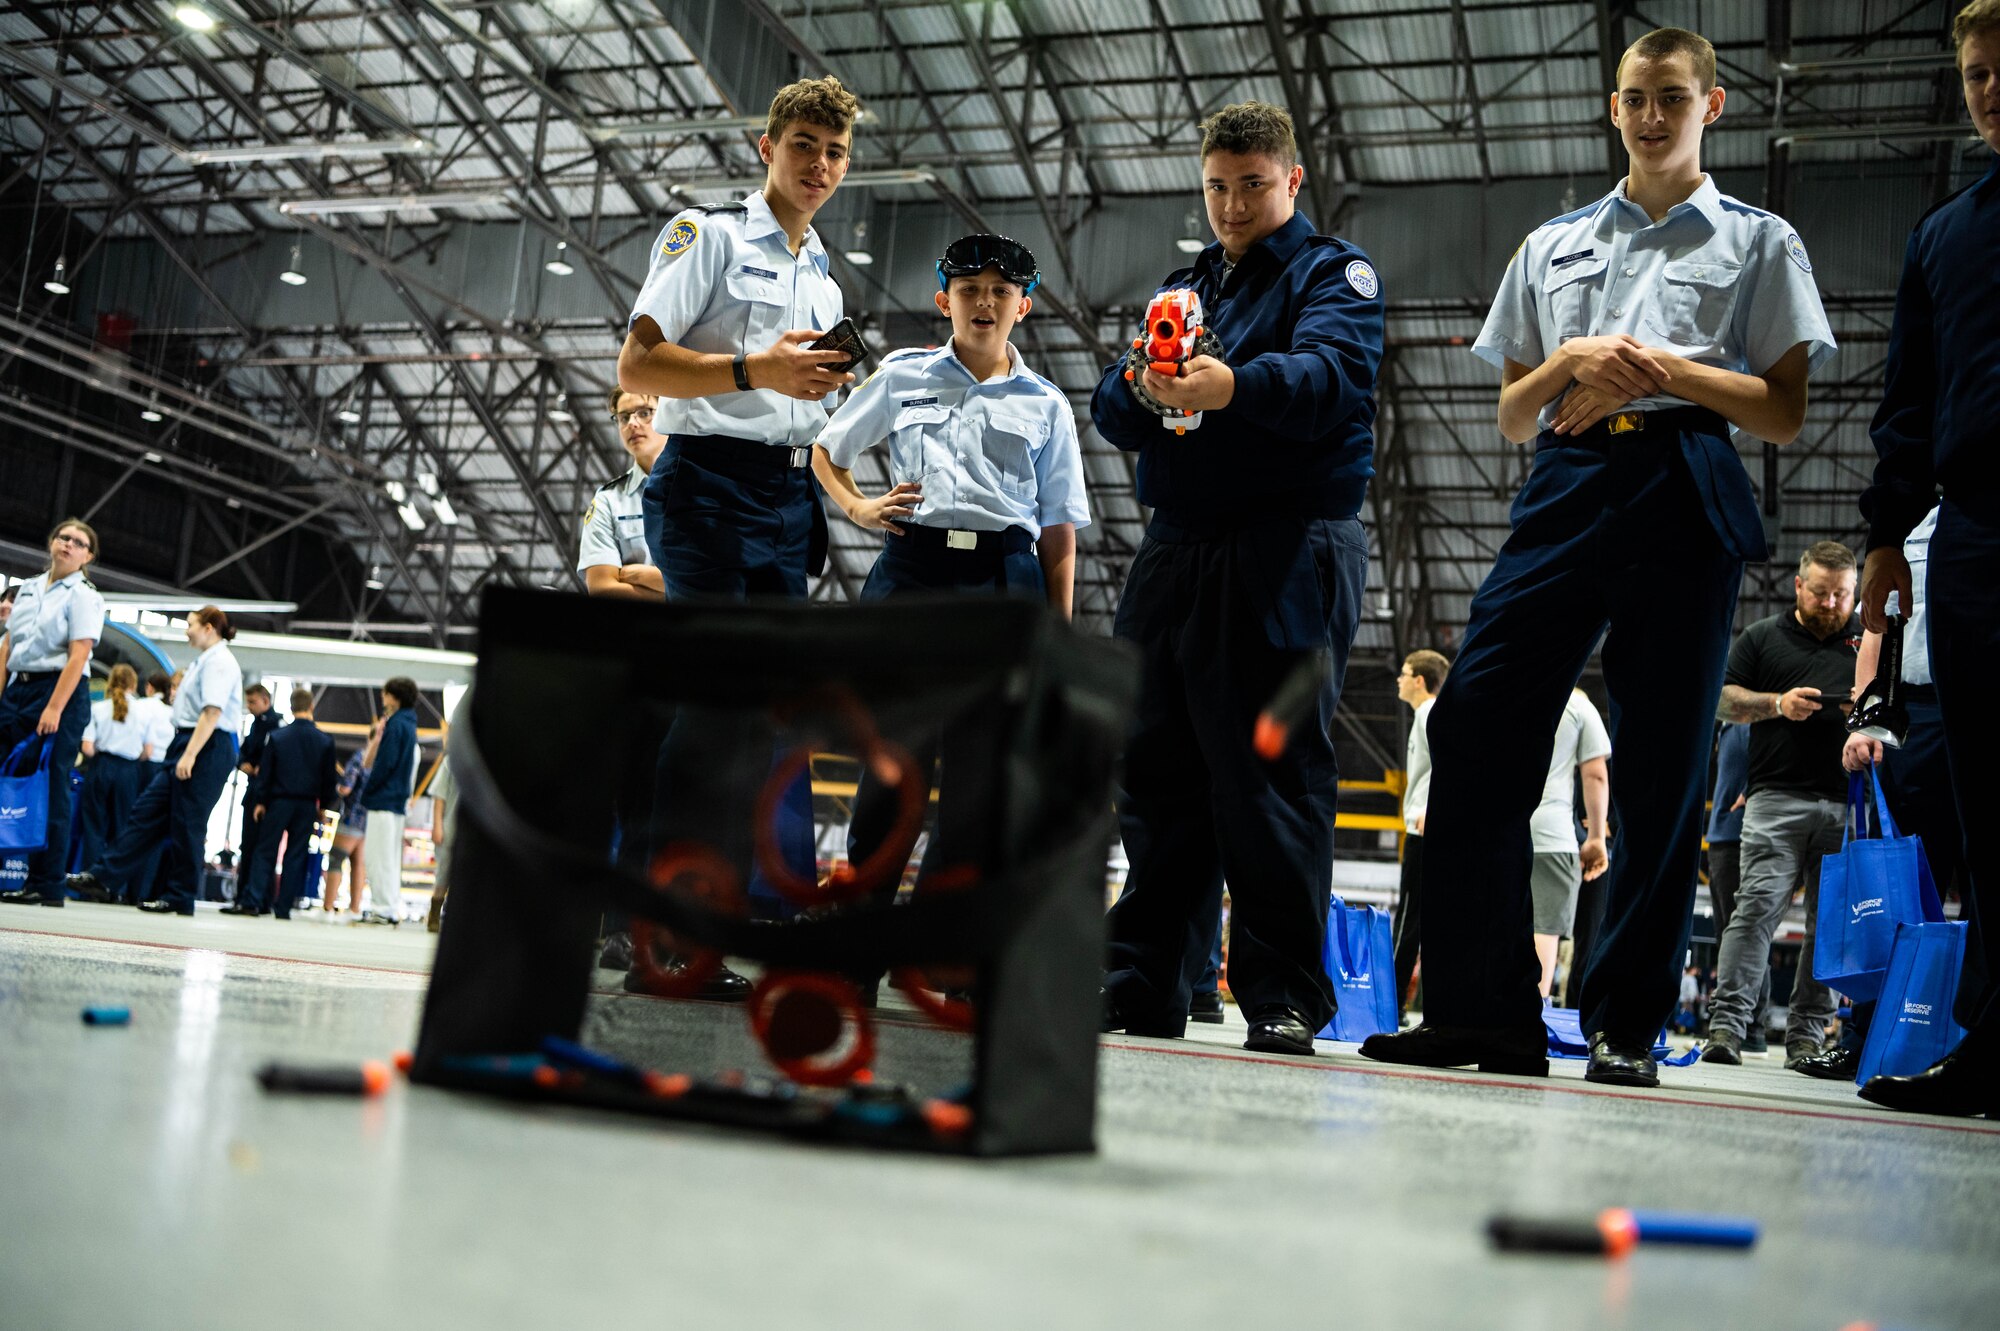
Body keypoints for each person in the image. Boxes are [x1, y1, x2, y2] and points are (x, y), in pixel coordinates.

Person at [1360, 26, 1835, 1088]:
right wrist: (1574, 359)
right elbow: (1511, 413)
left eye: (1671, 95)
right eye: (1633, 96)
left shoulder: (1758, 241)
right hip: (1568, 480)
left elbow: (1783, 411)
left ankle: (1624, 1022)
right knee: (1473, 718)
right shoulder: (1554, 241)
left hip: (1684, 473)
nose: (1651, 114)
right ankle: (1481, 1015)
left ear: (1709, 106)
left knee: (1663, 754)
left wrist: (1659, 369)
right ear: (1611, 106)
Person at [1090, 101, 1382, 1057]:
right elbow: (1113, 405)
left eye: (1251, 185)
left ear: (1291, 180)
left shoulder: (1332, 275)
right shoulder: (1186, 286)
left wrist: (1227, 385)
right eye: (1217, 186)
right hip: (1176, 545)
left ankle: (1282, 994)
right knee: (1157, 770)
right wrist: (1142, 383)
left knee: (1269, 775)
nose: (1231, 203)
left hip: (1287, 547)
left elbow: (1330, 379)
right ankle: (1143, 983)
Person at [617, 75, 861, 995]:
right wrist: (750, 367)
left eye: (835, 153)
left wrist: (816, 396)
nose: (820, 166)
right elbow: (637, 360)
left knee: (756, 729)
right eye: (804, 145)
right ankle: (659, 930)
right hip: (708, 492)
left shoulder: (822, 274)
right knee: (712, 712)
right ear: (768, 148)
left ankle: (706, 925)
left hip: (785, 502)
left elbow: (794, 400)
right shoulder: (707, 236)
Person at [814, 231, 1090, 998]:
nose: (986, 302)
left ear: (1023, 307)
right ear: (945, 301)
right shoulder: (903, 377)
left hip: (1006, 578)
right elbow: (825, 450)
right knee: (890, 765)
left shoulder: (1047, 405)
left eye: (1002, 291)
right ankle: (858, 949)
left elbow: (1060, 530)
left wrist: (1057, 642)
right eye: (970, 290)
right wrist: (860, 507)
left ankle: (948, 955)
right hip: (914, 571)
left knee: (981, 782)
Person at [1853, 2, 2000, 1118]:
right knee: (1983, 794)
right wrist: (1882, 537)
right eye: (1973, 74)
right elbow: (1904, 401)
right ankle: (1991, 1043)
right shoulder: (1945, 233)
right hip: (1972, 530)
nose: (1986, 90)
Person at [1808, 507, 1963, 1079]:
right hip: (1916, 712)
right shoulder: (1911, 526)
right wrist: (1866, 723)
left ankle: (1972, 1040)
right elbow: (1877, 623)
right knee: (1896, 888)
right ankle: (1862, 1037)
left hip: (1983, 705)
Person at [1700, 542, 1859, 1067]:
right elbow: (1720, 698)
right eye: (1820, 593)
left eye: (1841, 595)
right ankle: (1727, 1026)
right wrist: (1776, 704)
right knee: (1754, 914)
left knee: (1829, 925)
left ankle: (1807, 1038)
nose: (1831, 604)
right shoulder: (1762, 638)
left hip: (1847, 806)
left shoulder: (1869, 645)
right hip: (1775, 801)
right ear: (1798, 586)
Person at [67, 606, 245, 915]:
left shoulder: (220, 662)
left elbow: (212, 713)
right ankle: (102, 877)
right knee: (147, 811)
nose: (186, 630)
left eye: (190, 624)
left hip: (206, 744)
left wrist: (190, 755)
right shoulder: (204, 660)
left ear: (209, 627)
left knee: (187, 822)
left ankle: (180, 895)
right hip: (187, 741)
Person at [580, 387, 669, 969]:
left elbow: (709, 585)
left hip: (691, 667)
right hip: (635, 669)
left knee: (684, 802)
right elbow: (600, 586)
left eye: (645, 412)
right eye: (623, 416)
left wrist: (643, 577)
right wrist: (666, 581)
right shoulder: (609, 500)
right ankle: (620, 929)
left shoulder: (703, 487)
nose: (633, 423)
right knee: (634, 802)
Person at [0, 518, 104, 908]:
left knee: (50, 785)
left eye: (78, 542)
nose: (68, 544)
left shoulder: (84, 595)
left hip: (60, 690)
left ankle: (47, 883)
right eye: (64, 537)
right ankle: (18, 871)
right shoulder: (26, 590)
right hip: (19, 689)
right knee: (9, 778)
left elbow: (79, 655)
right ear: (52, 542)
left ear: (87, 556)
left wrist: (55, 707)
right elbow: (8, 649)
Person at [229, 687, 339, 918]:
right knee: (296, 855)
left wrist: (260, 801)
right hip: (307, 805)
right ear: (311, 707)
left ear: (290, 707)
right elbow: (329, 779)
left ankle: (253, 901)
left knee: (265, 851)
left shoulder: (278, 737)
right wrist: (323, 807)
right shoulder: (324, 741)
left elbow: (266, 772)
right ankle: (283, 908)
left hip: (278, 802)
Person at [1533, 689, 1612, 1000]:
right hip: (1551, 834)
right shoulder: (1578, 705)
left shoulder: (1505, 691)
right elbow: (1595, 776)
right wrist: (1595, 837)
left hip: (1501, 831)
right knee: (1544, 927)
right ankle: (1528, 1013)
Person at [1702, 722, 1771, 1048]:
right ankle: (1738, 1021)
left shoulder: (1755, 720)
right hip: (1721, 837)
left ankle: (1751, 1025)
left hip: (1743, 833)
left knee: (1746, 932)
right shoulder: (1726, 725)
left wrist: (1750, 789)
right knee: (1727, 933)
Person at [1393, 649, 1448, 1018]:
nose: (1398, 678)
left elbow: (1449, 761)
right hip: (1425, 826)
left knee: (1409, 918)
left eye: (1404, 672)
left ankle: (1392, 1000)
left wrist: (1430, 808)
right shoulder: (1425, 715)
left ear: (1419, 680)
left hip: (1423, 828)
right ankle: (1423, 1003)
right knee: (1425, 918)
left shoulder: (1429, 713)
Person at [75, 663, 152, 876]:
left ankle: (88, 879)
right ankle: (113, 883)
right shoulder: (144, 711)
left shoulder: (98, 708)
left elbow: (87, 748)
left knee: (94, 826)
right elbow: (148, 752)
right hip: (128, 771)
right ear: (134, 684)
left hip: (101, 767)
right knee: (122, 828)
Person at [356, 676, 420, 926]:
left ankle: (382, 908)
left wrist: (369, 789)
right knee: (391, 857)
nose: (383, 698)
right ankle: (390, 906)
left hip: (384, 798)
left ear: (394, 697)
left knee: (377, 856)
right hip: (397, 800)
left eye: (385, 694)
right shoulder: (410, 725)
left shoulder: (395, 724)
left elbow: (385, 762)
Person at [322, 743, 371, 916]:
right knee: (359, 864)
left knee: (336, 859)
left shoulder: (361, 756)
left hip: (352, 816)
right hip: (370, 821)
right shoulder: (384, 761)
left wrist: (338, 789)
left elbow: (346, 787)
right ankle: (355, 909)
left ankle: (328, 908)